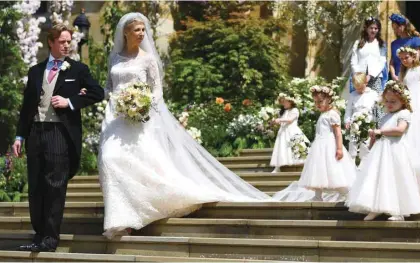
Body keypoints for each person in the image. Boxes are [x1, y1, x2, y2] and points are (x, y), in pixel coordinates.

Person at [97, 13, 271, 239]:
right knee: (109, 158)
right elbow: (109, 87)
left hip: (140, 117)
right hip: (116, 118)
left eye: (143, 29)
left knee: (140, 163)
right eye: (137, 30)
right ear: (125, 33)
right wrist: (114, 100)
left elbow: (157, 90)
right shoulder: (115, 59)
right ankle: (122, 214)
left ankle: (130, 216)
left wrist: (141, 105)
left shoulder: (148, 59)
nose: (141, 34)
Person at [12, 24, 104, 252]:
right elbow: (26, 108)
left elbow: (98, 92)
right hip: (35, 133)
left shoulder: (78, 70)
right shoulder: (35, 71)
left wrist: (70, 102)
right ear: (51, 42)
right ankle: (38, 235)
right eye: (62, 41)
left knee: (54, 186)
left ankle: (50, 239)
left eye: (68, 41)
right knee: (35, 186)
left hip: (59, 134)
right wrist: (20, 136)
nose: (66, 45)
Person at [347, 81, 420, 222]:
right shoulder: (385, 116)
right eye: (387, 101)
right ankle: (375, 207)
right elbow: (379, 134)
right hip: (381, 152)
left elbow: (400, 130)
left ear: (403, 100)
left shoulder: (404, 113)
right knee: (378, 178)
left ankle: (399, 210)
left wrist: (380, 131)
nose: (389, 104)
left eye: (393, 101)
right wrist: (373, 140)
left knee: (397, 178)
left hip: (396, 151)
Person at [275, 85, 356, 201]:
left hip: (329, 146)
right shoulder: (323, 114)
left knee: (334, 171)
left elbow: (338, 133)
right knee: (318, 171)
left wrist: (339, 148)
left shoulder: (332, 114)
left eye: (320, 101)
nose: (318, 104)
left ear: (328, 100)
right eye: (315, 102)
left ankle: (346, 193)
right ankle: (318, 196)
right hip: (319, 146)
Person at [270, 93, 309, 173]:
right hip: (283, 131)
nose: (283, 103)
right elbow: (283, 121)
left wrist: (280, 120)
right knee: (281, 147)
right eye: (282, 102)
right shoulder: (284, 111)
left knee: (298, 147)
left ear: (290, 102)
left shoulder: (295, 110)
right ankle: (277, 167)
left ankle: (304, 167)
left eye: (284, 102)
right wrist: (275, 122)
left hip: (292, 131)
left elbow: (290, 120)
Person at [349, 17, 388, 96]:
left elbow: (382, 61)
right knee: (359, 98)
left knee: (375, 100)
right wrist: (359, 75)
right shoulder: (358, 43)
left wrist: (371, 75)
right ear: (366, 28)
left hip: (375, 77)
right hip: (359, 78)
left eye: (376, 28)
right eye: (371, 28)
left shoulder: (381, 44)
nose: (373, 30)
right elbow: (354, 60)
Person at [344, 72, 379, 160]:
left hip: (368, 122)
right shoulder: (353, 95)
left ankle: (364, 164)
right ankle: (351, 164)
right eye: (357, 88)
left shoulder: (373, 94)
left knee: (366, 145)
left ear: (365, 83)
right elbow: (348, 110)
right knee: (353, 144)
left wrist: (376, 124)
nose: (358, 90)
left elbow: (377, 109)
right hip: (354, 123)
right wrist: (347, 121)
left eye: (361, 87)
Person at [388, 13, 420, 81]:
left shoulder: (415, 40)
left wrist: (406, 76)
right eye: (394, 28)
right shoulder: (394, 44)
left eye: (397, 27)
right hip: (397, 78)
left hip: (411, 76)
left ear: (403, 26)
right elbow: (392, 62)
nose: (395, 30)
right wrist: (393, 75)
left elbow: (416, 60)